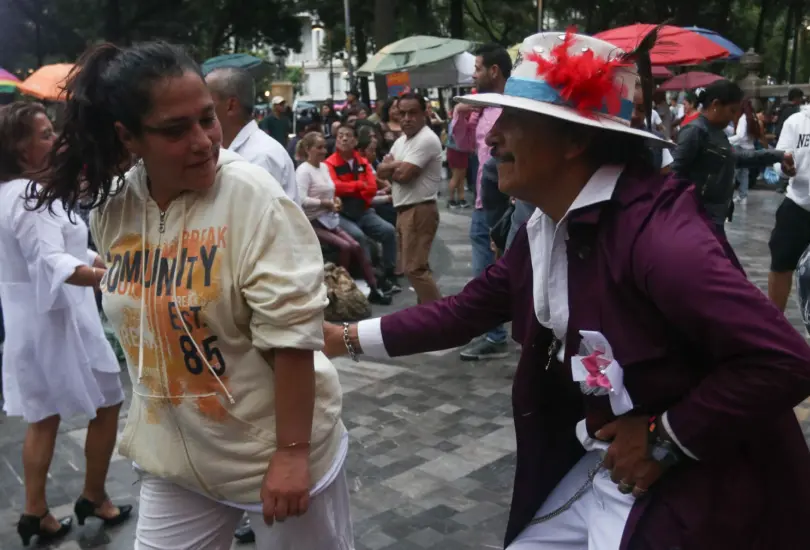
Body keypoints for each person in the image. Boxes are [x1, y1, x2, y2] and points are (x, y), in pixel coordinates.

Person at [323, 30, 810, 550]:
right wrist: (340, 338)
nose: (491, 138)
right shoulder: (547, 224)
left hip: (695, 490)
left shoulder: (663, 242)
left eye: (512, 121)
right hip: (605, 467)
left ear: (575, 140)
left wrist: (663, 437)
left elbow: (785, 361)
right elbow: (467, 311)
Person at [33, 41, 352, 549]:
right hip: (173, 461)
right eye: (175, 130)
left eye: (207, 119)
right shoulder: (114, 210)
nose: (203, 141)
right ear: (129, 137)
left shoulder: (253, 198)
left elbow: (291, 335)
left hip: (271, 455)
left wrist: (292, 453)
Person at [0, 102, 132, 547]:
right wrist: (116, 277)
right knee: (109, 397)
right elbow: (54, 260)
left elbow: (72, 244)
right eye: (41, 134)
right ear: (16, 150)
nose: (54, 139)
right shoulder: (29, 196)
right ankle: (91, 495)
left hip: (36, 322)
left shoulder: (20, 192)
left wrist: (103, 262)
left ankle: (37, 511)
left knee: (44, 416)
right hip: (57, 322)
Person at [452, 42, 512, 360]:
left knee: (496, 272)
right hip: (480, 203)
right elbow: (463, 145)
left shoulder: (514, 107)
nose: (473, 75)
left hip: (504, 205)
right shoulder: (482, 107)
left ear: (493, 71)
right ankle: (495, 333)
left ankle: (499, 334)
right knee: (483, 273)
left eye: (477, 69)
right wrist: (462, 116)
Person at [671, 80, 792, 235]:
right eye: (732, 111)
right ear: (715, 104)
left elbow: (736, 158)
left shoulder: (717, 132)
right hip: (697, 218)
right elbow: (675, 175)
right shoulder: (695, 131)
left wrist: (778, 155)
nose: (734, 117)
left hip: (714, 216)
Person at [296, 132, 391, 305]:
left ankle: (374, 287)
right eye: (319, 147)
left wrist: (335, 201)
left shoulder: (324, 167)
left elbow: (334, 190)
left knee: (355, 245)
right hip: (313, 221)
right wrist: (325, 203)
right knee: (345, 246)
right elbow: (301, 200)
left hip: (329, 218)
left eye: (325, 147)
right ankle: (340, 288)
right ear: (308, 149)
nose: (324, 150)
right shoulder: (303, 171)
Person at [377, 93, 443, 305]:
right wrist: (397, 166)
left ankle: (438, 319)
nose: (406, 118)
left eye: (412, 113)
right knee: (415, 268)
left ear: (424, 113)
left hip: (419, 209)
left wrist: (393, 167)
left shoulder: (426, 139)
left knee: (415, 269)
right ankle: (426, 317)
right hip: (406, 209)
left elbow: (404, 177)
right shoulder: (402, 142)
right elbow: (380, 170)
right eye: (402, 113)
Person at [205, 68, 299, 204]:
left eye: (208, 101)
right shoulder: (223, 150)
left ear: (231, 105)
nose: (200, 107)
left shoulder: (260, 157)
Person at [325, 124, 399, 294]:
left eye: (348, 136)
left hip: (364, 211)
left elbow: (372, 187)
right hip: (341, 214)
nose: (344, 139)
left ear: (355, 140)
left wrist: (353, 188)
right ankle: (373, 280)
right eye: (340, 136)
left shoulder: (362, 162)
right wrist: (359, 185)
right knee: (359, 236)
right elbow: (335, 187)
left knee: (388, 231)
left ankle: (388, 273)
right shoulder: (330, 163)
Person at [767, 100, 810, 312]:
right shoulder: (796, 122)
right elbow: (779, 160)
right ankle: (775, 324)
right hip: (797, 206)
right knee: (781, 265)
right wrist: (785, 168)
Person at [445, 99, 471, 209]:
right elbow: (455, 137)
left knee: (461, 177)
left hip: (462, 152)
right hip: (455, 151)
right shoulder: (454, 122)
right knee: (456, 176)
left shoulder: (463, 120)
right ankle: (451, 199)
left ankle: (461, 198)